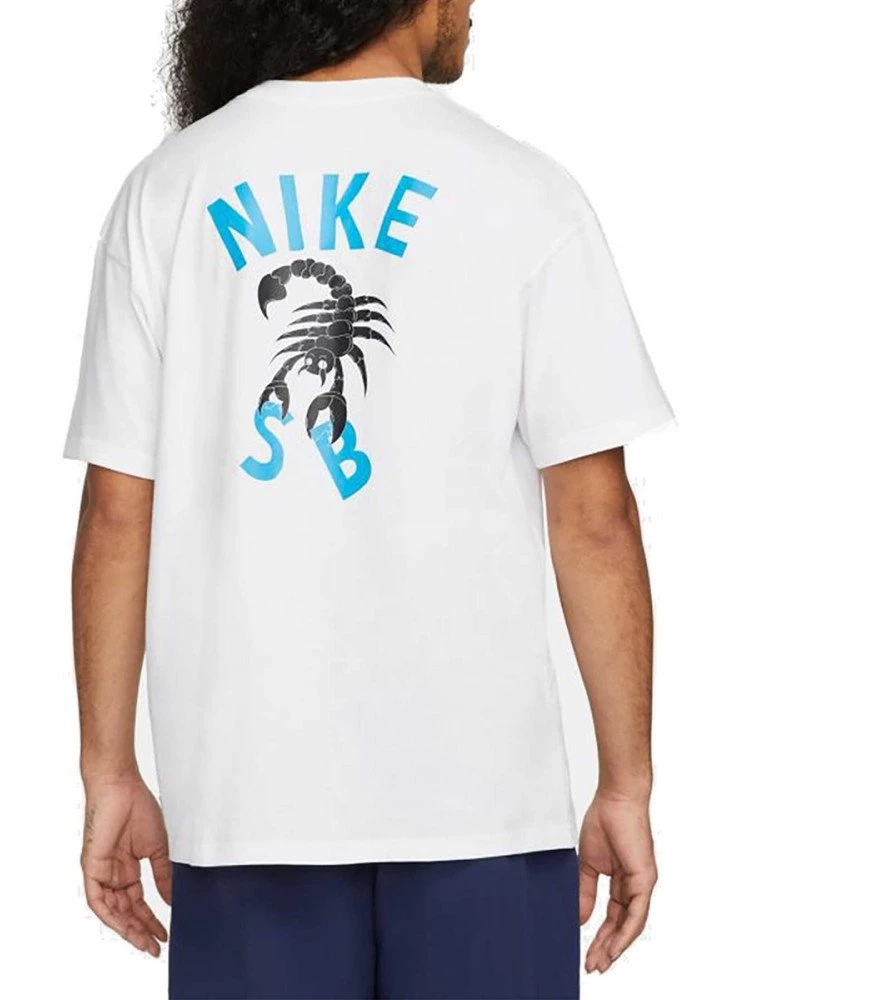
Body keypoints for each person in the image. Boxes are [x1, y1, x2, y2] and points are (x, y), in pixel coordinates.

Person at [65, 1, 672, 996]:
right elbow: (595, 518)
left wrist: (108, 769)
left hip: (246, 804)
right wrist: (626, 782)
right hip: (483, 806)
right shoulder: (522, 190)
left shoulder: (169, 188)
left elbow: (117, 510)